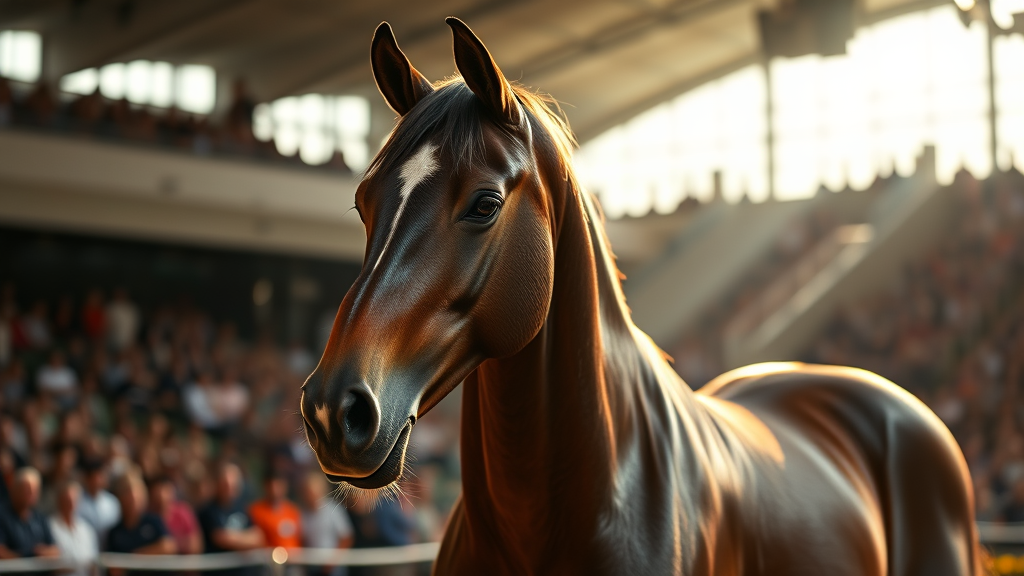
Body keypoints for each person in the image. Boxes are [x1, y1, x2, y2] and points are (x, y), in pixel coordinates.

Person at [198, 462, 264, 575]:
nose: (229, 488)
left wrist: (235, 539)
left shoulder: (242, 508)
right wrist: (246, 542)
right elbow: (221, 538)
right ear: (218, 484)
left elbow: (258, 537)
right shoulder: (209, 510)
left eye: (233, 485)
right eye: (226, 484)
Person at [106, 470, 175, 575]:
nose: (133, 500)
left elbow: (168, 547)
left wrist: (133, 559)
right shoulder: (115, 532)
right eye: (128, 494)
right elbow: (113, 567)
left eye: (137, 495)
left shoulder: (153, 521)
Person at [298, 472, 353, 576]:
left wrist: (333, 561)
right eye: (308, 493)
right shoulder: (302, 513)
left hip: (334, 566)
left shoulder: (333, 509)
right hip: (311, 565)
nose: (311, 496)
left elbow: (346, 537)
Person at [0, 467, 60, 559]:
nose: (32, 493)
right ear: (15, 488)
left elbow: (55, 549)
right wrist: (23, 560)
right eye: (27, 489)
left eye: (35, 490)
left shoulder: (40, 519)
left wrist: (43, 553)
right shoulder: (2, 516)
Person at [48, 480, 98, 576]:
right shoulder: (49, 526)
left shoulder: (87, 529)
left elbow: (93, 564)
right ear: (59, 500)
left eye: (74, 500)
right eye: (67, 500)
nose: (70, 504)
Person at [148, 475, 202, 554]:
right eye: (158, 492)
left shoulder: (183, 512)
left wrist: (171, 546)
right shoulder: (147, 516)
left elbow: (195, 546)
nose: (162, 496)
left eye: (166, 491)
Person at [248, 471, 301, 549]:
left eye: (278, 486)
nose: (274, 490)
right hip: (269, 555)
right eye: (272, 486)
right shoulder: (256, 511)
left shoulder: (292, 510)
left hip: (295, 555)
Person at [77, 458, 121, 541]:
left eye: (99, 476)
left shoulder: (112, 502)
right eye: (93, 477)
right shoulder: (77, 501)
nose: (97, 481)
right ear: (87, 478)